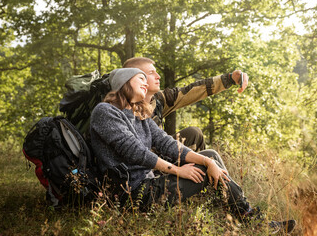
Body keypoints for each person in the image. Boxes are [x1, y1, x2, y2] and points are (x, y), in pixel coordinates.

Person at [90, 68, 296, 234]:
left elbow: (168, 144)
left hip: (149, 183)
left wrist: (209, 163)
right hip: (132, 194)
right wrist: (178, 171)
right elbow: (135, 152)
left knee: (211, 156)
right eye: (140, 78)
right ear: (124, 83)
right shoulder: (105, 112)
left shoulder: (140, 113)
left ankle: (243, 213)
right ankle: (251, 221)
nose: (146, 82)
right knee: (206, 170)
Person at [122, 57, 248, 152]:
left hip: (162, 152)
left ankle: (209, 184)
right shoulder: (123, 107)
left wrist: (230, 78)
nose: (158, 76)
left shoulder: (159, 100)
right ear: (135, 78)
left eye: (156, 72)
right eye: (151, 73)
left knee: (194, 134)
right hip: (145, 167)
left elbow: (192, 91)